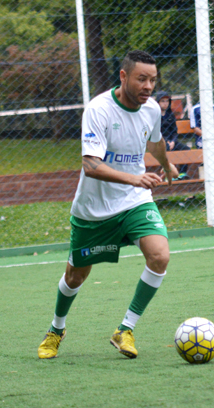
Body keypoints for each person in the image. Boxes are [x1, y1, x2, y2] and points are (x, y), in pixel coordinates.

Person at [37, 50, 179, 359]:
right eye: (142, 79)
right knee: (75, 277)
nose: (148, 86)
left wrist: (166, 165)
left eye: (153, 80)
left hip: (135, 202)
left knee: (160, 256)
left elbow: (154, 141)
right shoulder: (98, 109)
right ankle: (56, 329)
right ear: (124, 76)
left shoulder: (151, 109)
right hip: (94, 209)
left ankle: (125, 329)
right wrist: (134, 179)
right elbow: (91, 165)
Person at [155, 91, 189, 179]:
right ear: (158, 102)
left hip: (172, 141)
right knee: (166, 149)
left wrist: (173, 141)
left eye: (167, 101)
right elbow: (155, 132)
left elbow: (174, 131)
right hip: (160, 142)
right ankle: (169, 175)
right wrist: (166, 141)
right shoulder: (154, 115)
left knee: (186, 149)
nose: (165, 103)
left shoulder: (170, 115)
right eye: (162, 101)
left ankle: (182, 173)